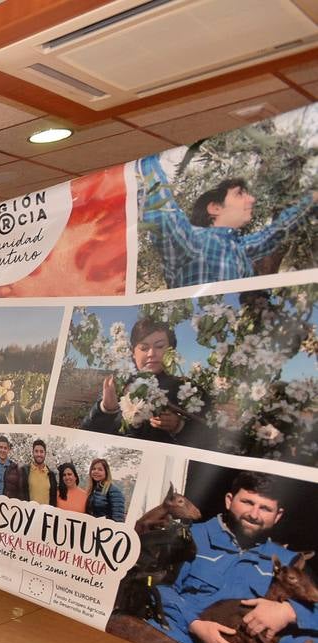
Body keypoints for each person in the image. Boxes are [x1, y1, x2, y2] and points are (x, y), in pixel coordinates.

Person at [151, 472, 316, 643]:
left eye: (265, 508)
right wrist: (195, 625)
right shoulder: (191, 537)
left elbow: (314, 603)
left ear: (277, 516)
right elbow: (159, 586)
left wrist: (289, 612)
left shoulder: (289, 561)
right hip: (184, 637)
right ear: (229, 501)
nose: (254, 515)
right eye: (247, 502)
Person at [138, 153, 316, 289]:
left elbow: (275, 232)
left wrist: (312, 200)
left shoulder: (239, 247)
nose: (251, 200)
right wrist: (146, 159)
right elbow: (163, 214)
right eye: (240, 194)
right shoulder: (195, 240)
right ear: (215, 208)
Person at [82, 318, 209, 446]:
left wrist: (180, 427)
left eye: (159, 346)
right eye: (144, 348)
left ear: (171, 350)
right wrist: (105, 410)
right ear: (133, 353)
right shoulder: (119, 385)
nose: (151, 353)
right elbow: (86, 435)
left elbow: (211, 440)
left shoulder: (189, 389)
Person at [84, 458, 126, 522]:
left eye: (100, 469)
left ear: (106, 472)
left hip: (105, 529)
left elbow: (118, 518)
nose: (96, 471)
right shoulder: (92, 490)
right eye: (93, 469)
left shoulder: (114, 491)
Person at [25, 438, 56, 506]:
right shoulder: (25, 472)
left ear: (45, 453)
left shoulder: (51, 475)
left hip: (46, 514)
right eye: (36, 451)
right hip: (29, 514)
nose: (39, 454)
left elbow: (54, 498)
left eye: (41, 451)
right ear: (32, 452)